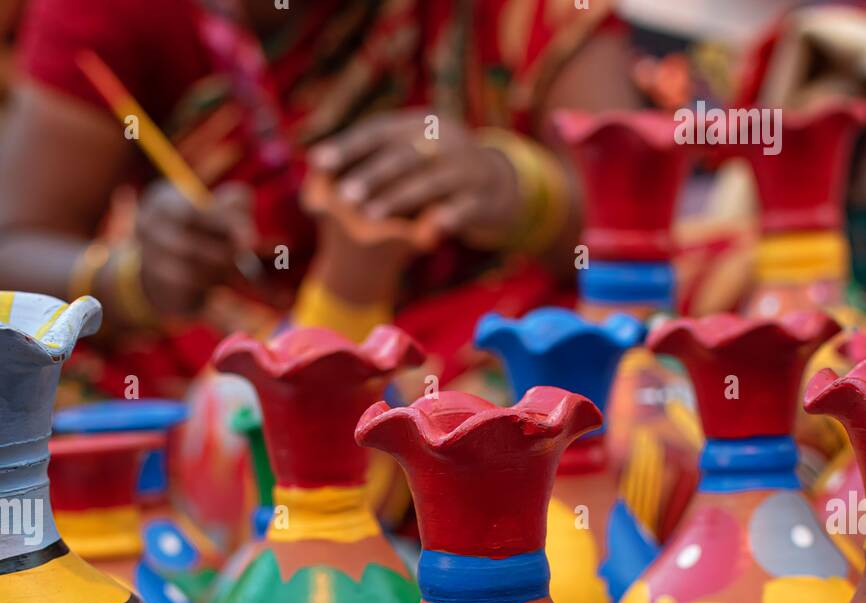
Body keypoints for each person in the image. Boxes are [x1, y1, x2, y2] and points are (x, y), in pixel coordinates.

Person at [0, 0, 637, 397]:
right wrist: (134, 276)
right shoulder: (107, 11)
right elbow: (15, 246)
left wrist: (516, 188)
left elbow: (638, 207)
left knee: (626, 352)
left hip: (487, 333)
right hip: (226, 362)